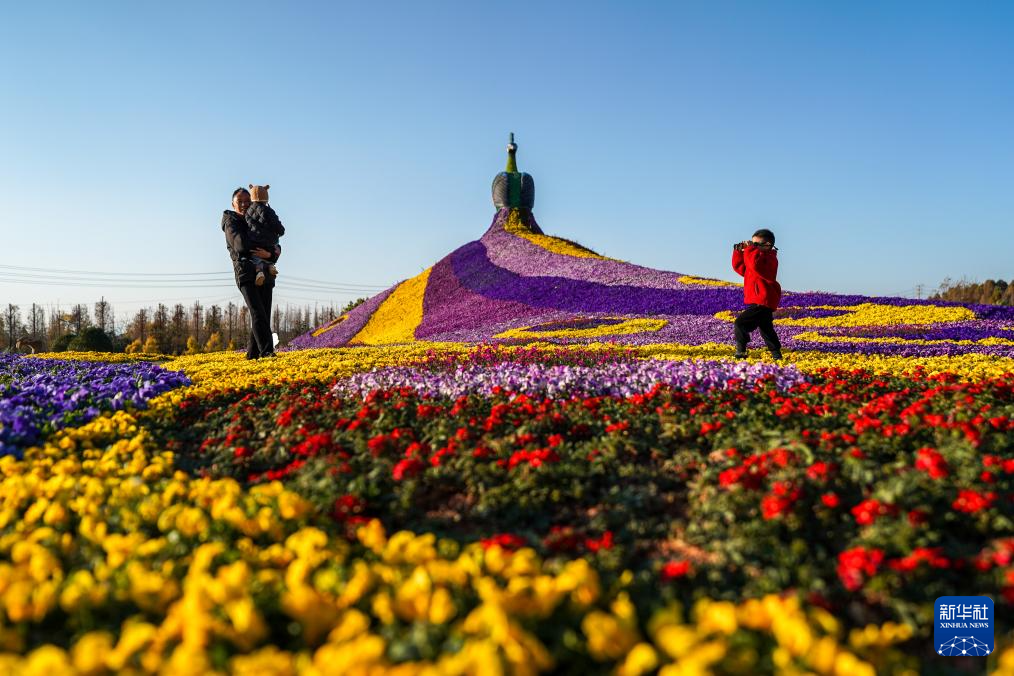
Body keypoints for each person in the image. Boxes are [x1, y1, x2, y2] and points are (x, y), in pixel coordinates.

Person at [222, 187, 279, 359]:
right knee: (257, 313)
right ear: (233, 204)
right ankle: (267, 352)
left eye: (248, 201)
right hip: (246, 273)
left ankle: (252, 355)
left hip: (266, 274)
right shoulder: (231, 221)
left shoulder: (257, 217)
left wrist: (269, 253)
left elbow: (275, 243)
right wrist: (265, 246)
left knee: (263, 315)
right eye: (240, 201)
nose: (244, 204)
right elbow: (240, 245)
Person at [731, 228, 783, 360]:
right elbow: (742, 268)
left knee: (740, 324)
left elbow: (755, 265)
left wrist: (749, 249)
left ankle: (741, 351)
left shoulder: (770, 259)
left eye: (756, 244)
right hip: (758, 299)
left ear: (768, 245)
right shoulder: (756, 257)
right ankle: (777, 355)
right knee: (766, 329)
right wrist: (738, 252)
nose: (752, 246)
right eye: (752, 243)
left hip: (763, 299)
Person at [245, 184, 285, 286]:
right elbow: (277, 225)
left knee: (255, 257)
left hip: (254, 241)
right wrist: (281, 231)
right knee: (274, 247)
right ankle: (271, 266)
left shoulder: (247, 211)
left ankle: (259, 271)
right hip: (270, 241)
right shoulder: (269, 211)